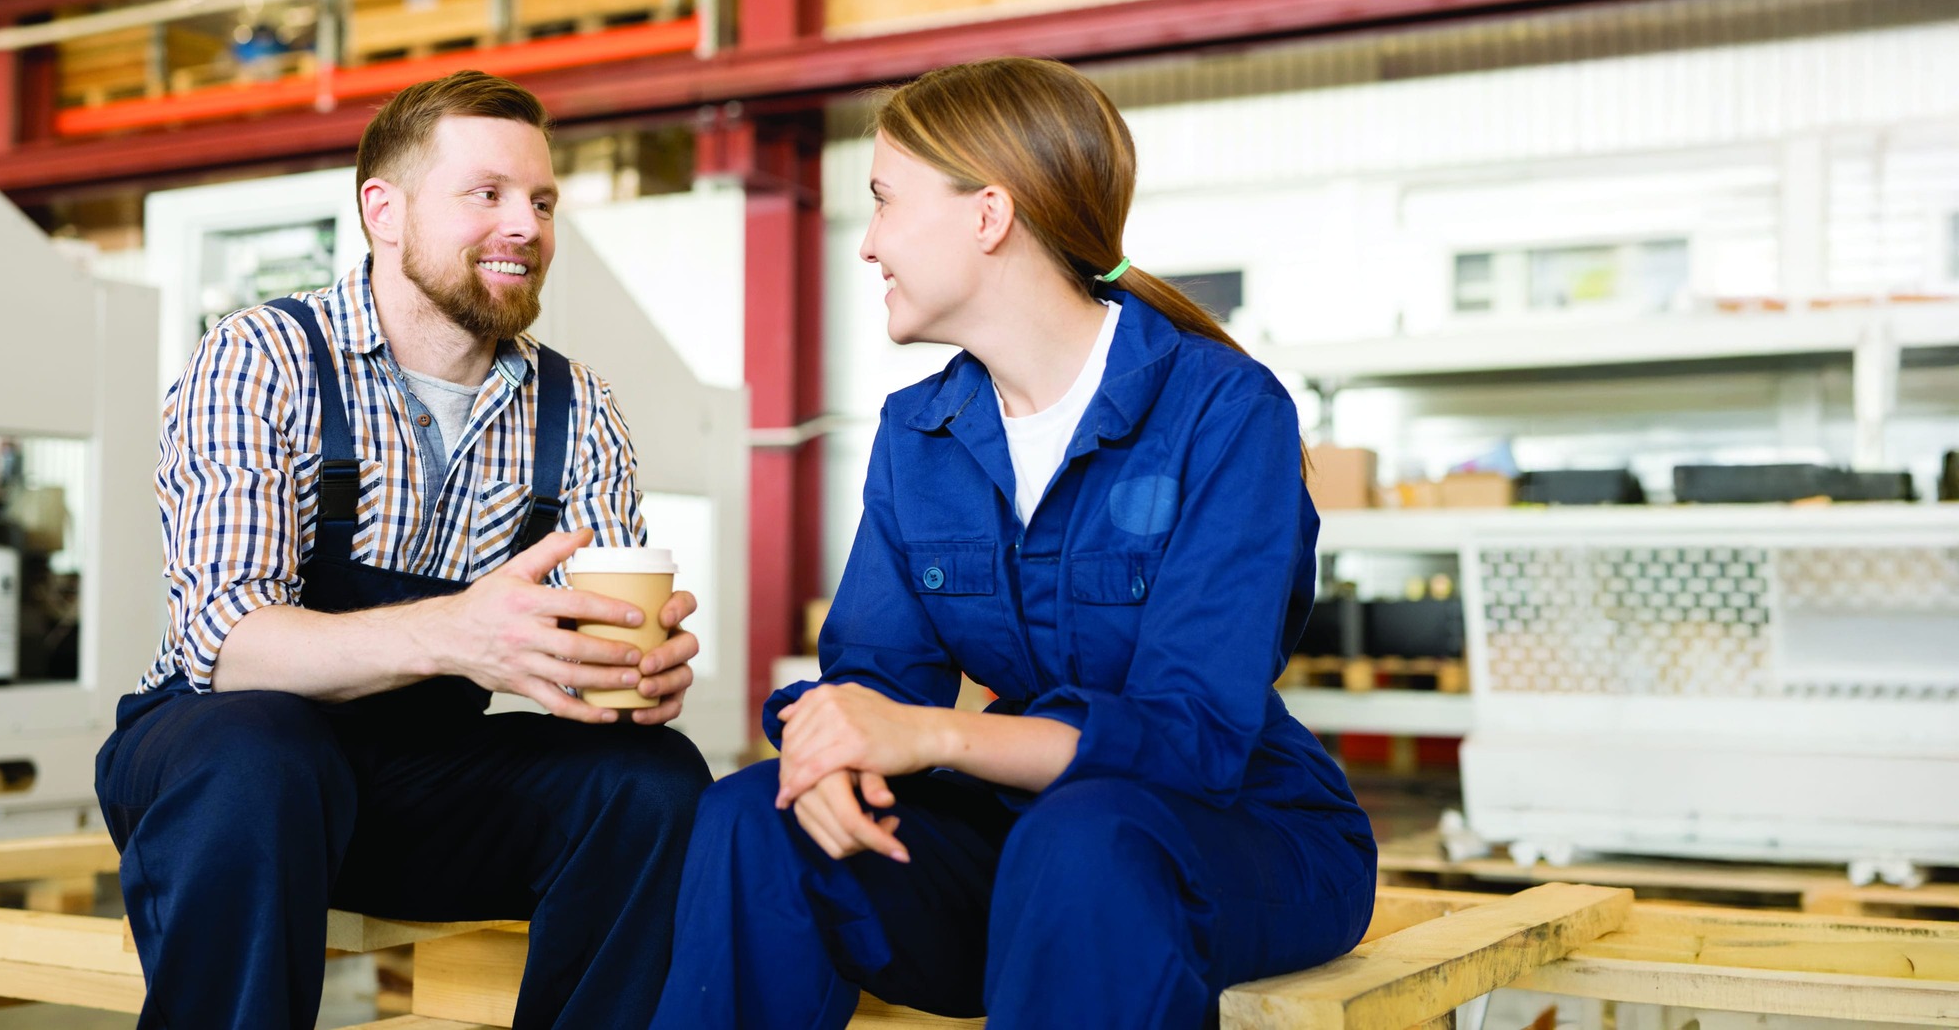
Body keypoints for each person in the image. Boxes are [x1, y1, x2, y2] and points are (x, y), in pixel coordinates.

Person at [651, 57, 1377, 1030]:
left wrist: (941, 734)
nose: (866, 246)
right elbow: (872, 670)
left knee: (1085, 841)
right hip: (1027, 835)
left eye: (882, 202)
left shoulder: (1220, 410)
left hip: (1235, 839)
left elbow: (1192, 737)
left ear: (988, 216)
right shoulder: (921, 430)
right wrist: (831, 745)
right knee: (755, 815)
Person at [95, 70, 711, 1030]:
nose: (526, 225)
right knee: (262, 750)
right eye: (488, 194)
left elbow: (593, 643)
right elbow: (229, 643)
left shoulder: (580, 407)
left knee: (655, 782)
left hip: (424, 779)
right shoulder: (263, 356)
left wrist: (632, 672)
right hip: (224, 772)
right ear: (384, 209)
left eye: (541, 201)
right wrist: (456, 632)